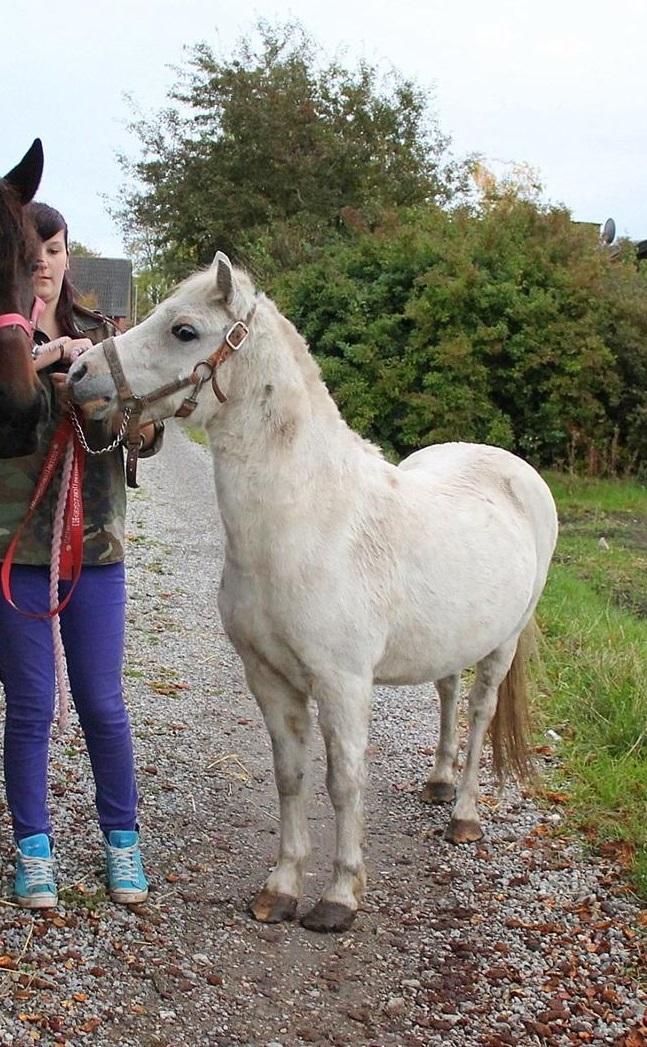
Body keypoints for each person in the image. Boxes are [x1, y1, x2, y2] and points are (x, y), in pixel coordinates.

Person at [0, 202, 162, 909]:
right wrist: (34, 362)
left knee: (102, 701)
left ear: (69, 255)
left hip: (95, 547)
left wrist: (102, 401)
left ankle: (121, 841)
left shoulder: (106, 336)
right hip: (15, 550)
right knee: (31, 705)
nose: (44, 261)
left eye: (56, 249)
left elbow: (148, 438)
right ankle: (34, 851)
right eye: (33, 251)